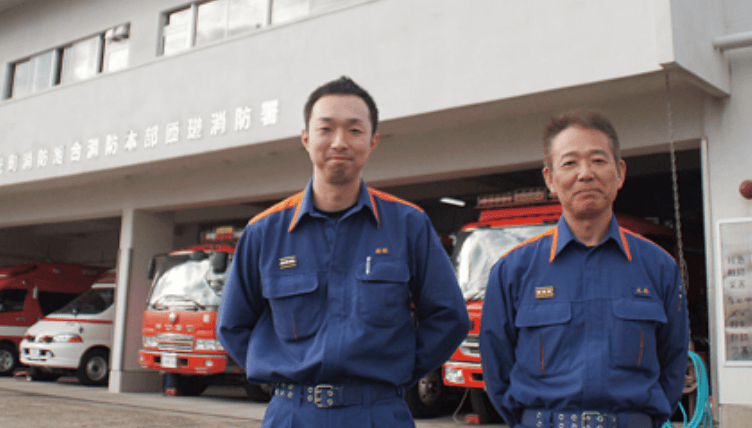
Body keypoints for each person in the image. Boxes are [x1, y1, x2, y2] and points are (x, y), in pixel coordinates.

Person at [217, 76, 470, 428]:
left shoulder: (408, 224)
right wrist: (281, 370)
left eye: (354, 130)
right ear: (306, 138)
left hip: (378, 414)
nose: (339, 142)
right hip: (292, 414)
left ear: (372, 141)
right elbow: (232, 325)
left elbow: (449, 317)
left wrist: (393, 370)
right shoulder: (264, 232)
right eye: (325, 129)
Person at [479, 111, 689, 428]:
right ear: (550, 178)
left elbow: (673, 363)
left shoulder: (659, 268)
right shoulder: (513, 271)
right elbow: (497, 369)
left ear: (619, 173)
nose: (585, 174)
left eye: (598, 161)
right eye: (570, 163)